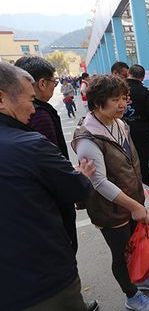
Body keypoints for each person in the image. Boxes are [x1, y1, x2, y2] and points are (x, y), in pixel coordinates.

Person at [0, 63, 98, 311]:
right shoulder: (29, 144)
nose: (33, 109)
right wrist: (81, 176)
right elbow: (74, 188)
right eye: (30, 99)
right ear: (2, 98)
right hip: (42, 280)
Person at [72, 75, 149, 311]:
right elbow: (99, 182)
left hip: (131, 197)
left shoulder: (119, 123)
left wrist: (139, 194)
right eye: (115, 100)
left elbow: (127, 164)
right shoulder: (87, 138)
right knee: (122, 253)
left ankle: (140, 278)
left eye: (124, 98)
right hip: (109, 209)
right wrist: (133, 206)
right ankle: (131, 295)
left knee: (136, 243)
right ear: (97, 103)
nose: (123, 104)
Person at [14, 56, 80, 253]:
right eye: (54, 82)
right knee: (65, 249)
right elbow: (50, 163)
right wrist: (74, 186)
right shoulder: (39, 114)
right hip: (52, 202)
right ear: (41, 83)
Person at [123, 64, 149, 185]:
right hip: (142, 132)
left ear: (128, 74)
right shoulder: (145, 91)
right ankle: (144, 186)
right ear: (142, 78)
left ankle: (131, 185)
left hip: (122, 130)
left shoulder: (119, 89)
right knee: (143, 160)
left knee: (126, 160)